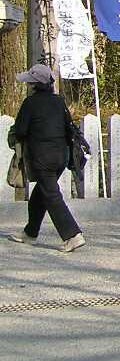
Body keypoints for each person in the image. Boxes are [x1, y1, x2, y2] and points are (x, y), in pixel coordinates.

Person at [7, 64, 86, 253]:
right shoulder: (58, 101)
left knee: (51, 195)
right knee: (41, 193)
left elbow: (20, 130)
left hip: (42, 157)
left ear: (35, 84)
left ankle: (73, 235)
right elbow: (68, 127)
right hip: (61, 156)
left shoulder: (30, 103)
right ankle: (30, 232)